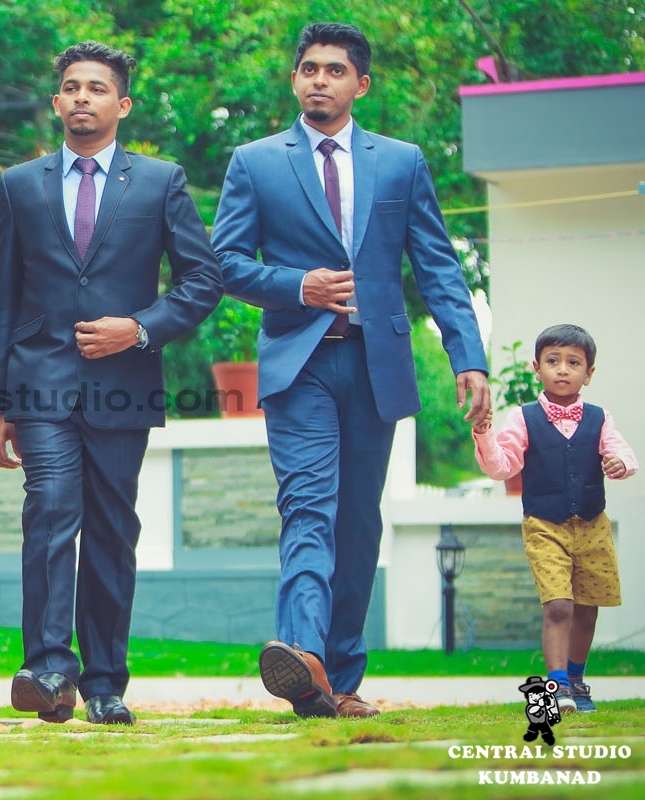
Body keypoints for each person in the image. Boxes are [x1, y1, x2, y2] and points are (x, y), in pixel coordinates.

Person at [211, 21, 490, 718]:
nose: (320, 80)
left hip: (375, 364)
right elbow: (225, 264)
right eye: (309, 68)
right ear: (294, 79)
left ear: (360, 84)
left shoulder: (401, 162)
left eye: (335, 70)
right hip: (297, 364)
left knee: (357, 523)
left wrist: (468, 357)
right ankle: (303, 658)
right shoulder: (255, 162)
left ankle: (338, 681)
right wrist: (297, 285)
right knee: (308, 507)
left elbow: (438, 265)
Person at [0, 42, 222, 725]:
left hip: (125, 384)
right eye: (72, 86)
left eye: (97, 87)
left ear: (123, 104)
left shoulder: (161, 182)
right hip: (40, 383)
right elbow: (3, 298)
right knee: (50, 514)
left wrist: (140, 329)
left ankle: (105, 683)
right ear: (57, 101)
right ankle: (48, 670)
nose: (83, 96)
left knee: (113, 533)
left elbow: (203, 280)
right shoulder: (20, 185)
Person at [474, 324, 635, 714]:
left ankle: (577, 682)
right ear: (537, 368)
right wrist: (484, 433)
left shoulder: (600, 418)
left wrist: (620, 463)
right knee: (559, 605)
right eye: (553, 361)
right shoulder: (523, 418)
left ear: (588, 373)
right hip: (545, 525)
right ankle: (558, 685)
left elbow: (623, 454)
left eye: (573, 362)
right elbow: (502, 467)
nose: (562, 369)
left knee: (588, 608)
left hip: (592, 525)